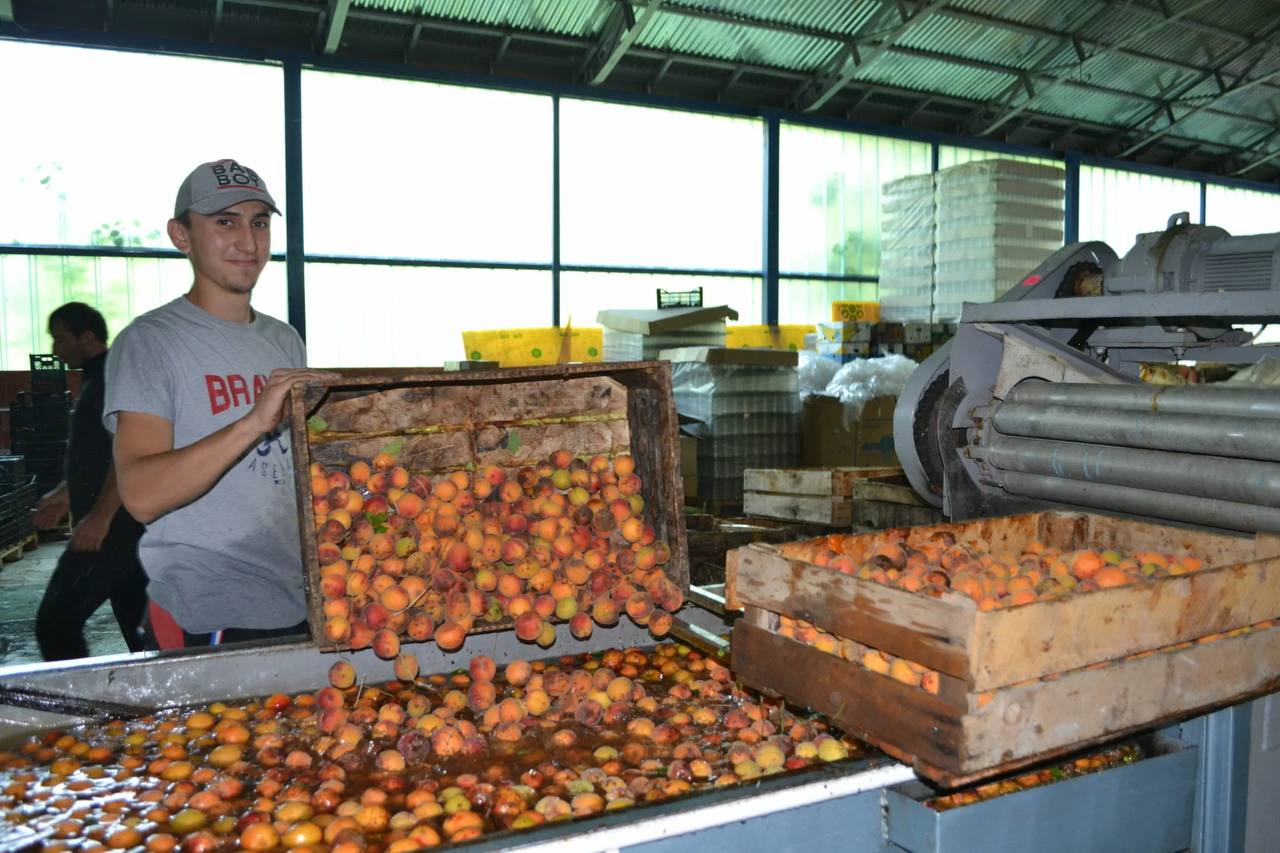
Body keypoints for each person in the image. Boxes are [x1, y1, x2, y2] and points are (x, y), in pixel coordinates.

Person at [104, 158, 335, 650]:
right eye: (224, 222)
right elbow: (141, 493)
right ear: (181, 235)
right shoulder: (150, 342)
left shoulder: (284, 340)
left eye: (259, 222)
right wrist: (251, 422)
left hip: (296, 594)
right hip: (207, 607)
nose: (248, 243)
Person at [31, 303, 148, 660]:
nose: (55, 350)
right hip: (119, 528)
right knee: (139, 626)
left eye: (61, 339)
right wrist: (66, 494)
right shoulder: (96, 379)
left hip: (113, 529)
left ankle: (79, 706)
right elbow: (98, 451)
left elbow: (128, 451)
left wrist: (100, 517)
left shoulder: (114, 378)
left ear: (87, 337)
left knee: (56, 622)